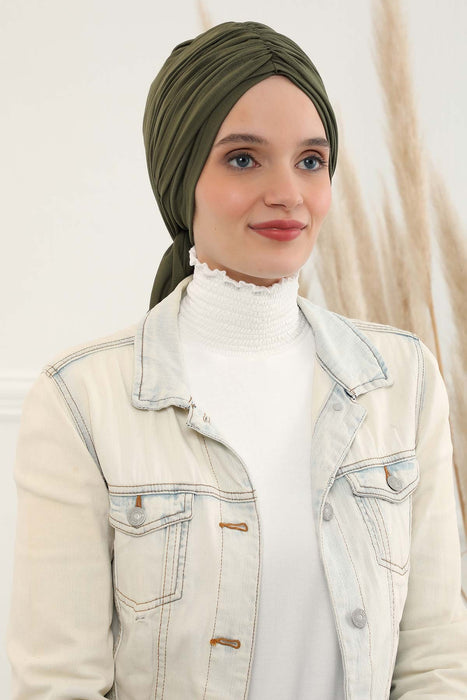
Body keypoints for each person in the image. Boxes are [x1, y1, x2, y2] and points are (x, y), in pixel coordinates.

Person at [7, 20, 467, 700]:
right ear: (181, 177)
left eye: (310, 161)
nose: (288, 193)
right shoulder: (81, 401)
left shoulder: (403, 380)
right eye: (244, 159)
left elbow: (436, 664)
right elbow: (58, 685)